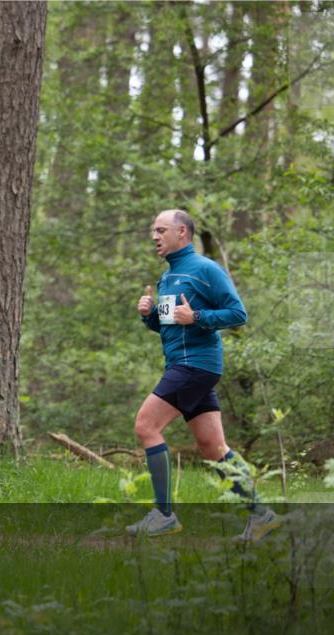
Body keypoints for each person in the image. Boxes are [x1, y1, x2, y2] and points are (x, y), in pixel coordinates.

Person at [127, 209, 280, 542]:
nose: (154, 236)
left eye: (161, 230)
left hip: (195, 365)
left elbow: (238, 313)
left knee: (146, 426)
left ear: (182, 232)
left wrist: (196, 316)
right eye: (153, 231)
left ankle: (163, 515)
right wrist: (150, 316)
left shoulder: (206, 269)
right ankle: (262, 515)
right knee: (212, 446)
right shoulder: (168, 276)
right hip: (185, 365)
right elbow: (172, 326)